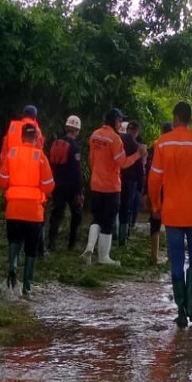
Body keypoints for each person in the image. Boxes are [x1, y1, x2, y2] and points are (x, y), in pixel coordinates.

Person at [148, 102, 192, 328]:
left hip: (172, 213)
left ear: (175, 118)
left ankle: (180, 311)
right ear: (190, 120)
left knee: (176, 261)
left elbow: (154, 179)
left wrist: (156, 204)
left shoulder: (162, 143)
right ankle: (191, 305)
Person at [81, 108, 147, 266]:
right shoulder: (115, 139)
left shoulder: (95, 135)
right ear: (115, 120)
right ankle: (104, 257)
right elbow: (122, 163)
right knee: (108, 222)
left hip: (96, 183)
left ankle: (89, 248)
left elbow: (91, 159)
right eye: (120, 120)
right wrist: (138, 155)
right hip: (111, 186)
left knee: (96, 218)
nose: (120, 124)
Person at [0, 124, 55, 296]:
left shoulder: (12, 153)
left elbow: (2, 180)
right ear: (36, 138)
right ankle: (27, 288)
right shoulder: (40, 156)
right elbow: (49, 185)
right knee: (31, 250)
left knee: (14, 241)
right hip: (33, 212)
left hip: (13, 209)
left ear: (22, 137)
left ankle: (13, 268)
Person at [47, 115, 84, 252]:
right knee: (76, 214)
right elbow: (77, 170)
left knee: (56, 214)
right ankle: (71, 244)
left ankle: (51, 243)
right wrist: (79, 192)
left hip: (57, 184)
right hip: (71, 187)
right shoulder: (75, 147)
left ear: (66, 128)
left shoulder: (56, 143)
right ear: (77, 131)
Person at [145, 121, 173, 265]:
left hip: (157, 187)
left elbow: (148, 169)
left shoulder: (156, 145)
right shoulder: (176, 146)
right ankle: (170, 257)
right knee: (171, 224)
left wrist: (146, 191)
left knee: (155, 222)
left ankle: (154, 257)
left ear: (162, 131)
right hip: (171, 189)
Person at [117, 120, 145, 246]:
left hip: (116, 179)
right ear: (137, 132)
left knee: (116, 208)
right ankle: (123, 238)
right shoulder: (137, 147)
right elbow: (140, 169)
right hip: (130, 182)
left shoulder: (118, 140)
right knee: (126, 209)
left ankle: (113, 234)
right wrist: (141, 186)